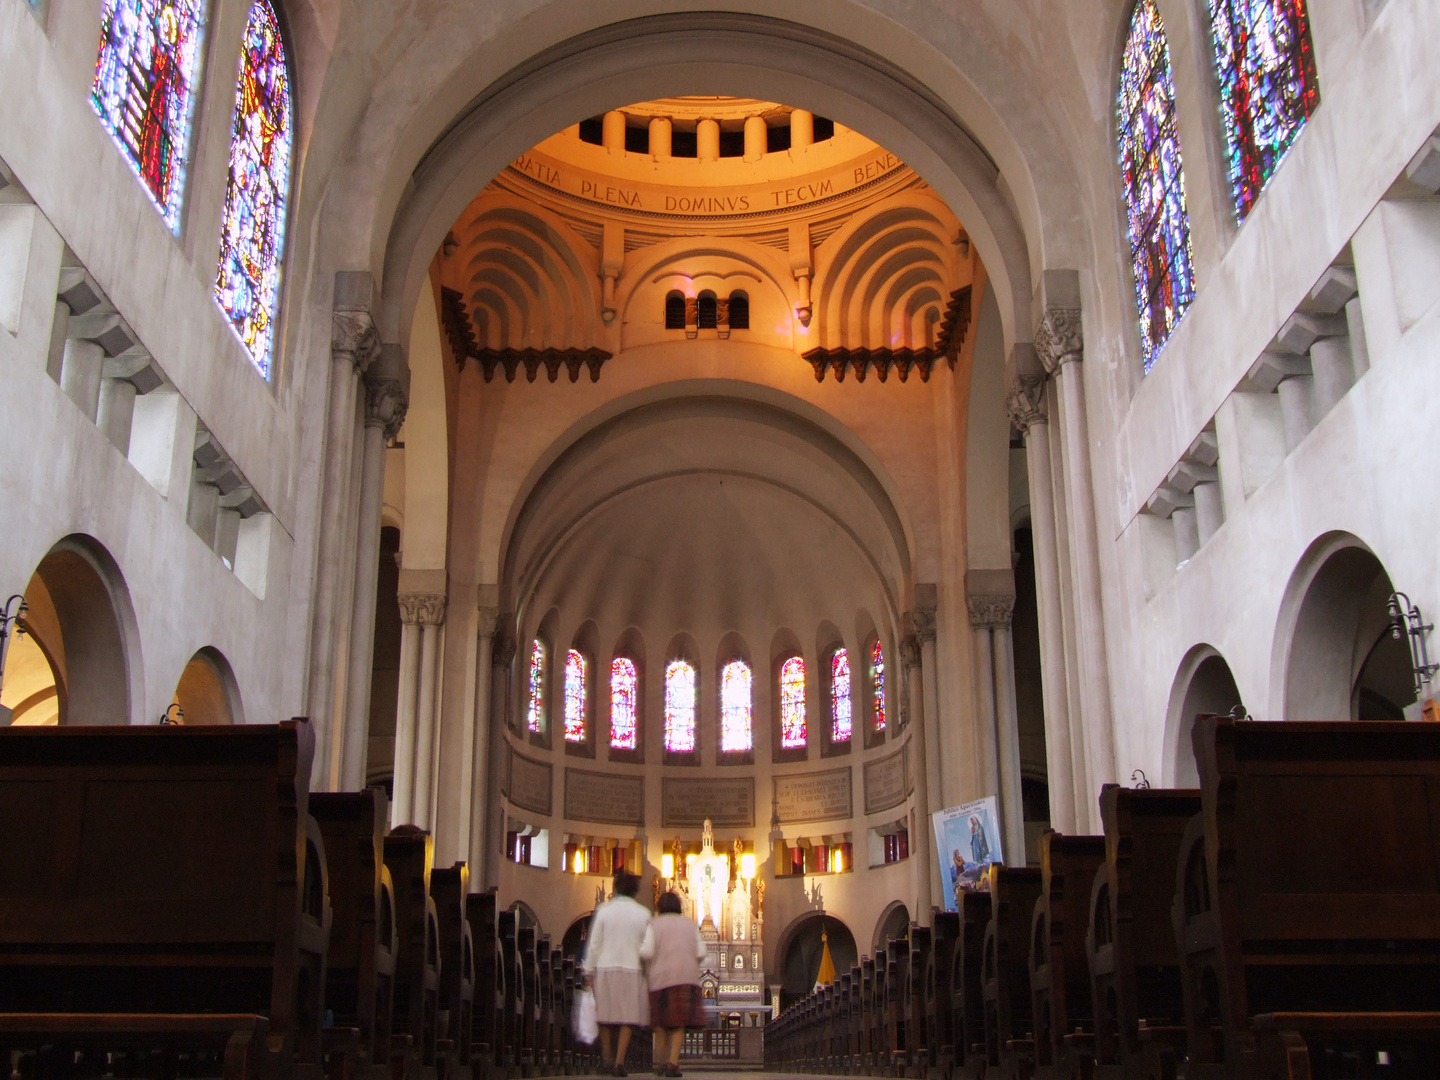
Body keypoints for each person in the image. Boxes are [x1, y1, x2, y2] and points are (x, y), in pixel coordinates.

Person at [581, 872, 652, 1076]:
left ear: (616, 887)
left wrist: (589, 971)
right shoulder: (644, 913)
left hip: (605, 966)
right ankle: (620, 1062)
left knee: (605, 1015)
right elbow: (648, 948)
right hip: (632, 968)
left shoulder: (604, 910)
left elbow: (594, 944)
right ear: (635, 890)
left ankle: (607, 1058)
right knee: (627, 1018)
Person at [640, 891, 706, 1078]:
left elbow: (646, 951)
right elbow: (701, 952)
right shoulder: (690, 925)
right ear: (680, 906)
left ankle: (660, 1063)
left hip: (660, 979)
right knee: (678, 1024)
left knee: (660, 1024)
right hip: (685, 978)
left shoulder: (654, 924)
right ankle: (672, 1064)